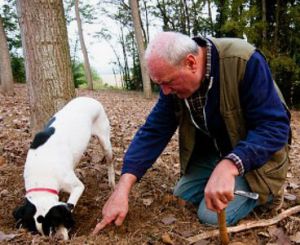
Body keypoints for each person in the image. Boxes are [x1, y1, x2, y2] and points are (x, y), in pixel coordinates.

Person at [93, 32, 291, 234]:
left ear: (190, 63)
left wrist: (231, 165)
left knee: (210, 215)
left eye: (168, 82)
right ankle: (222, 175)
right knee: (183, 195)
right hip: (218, 151)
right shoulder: (173, 79)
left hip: (258, 158)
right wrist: (122, 189)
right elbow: (154, 130)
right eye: (160, 84)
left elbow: (275, 126)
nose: (166, 91)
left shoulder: (243, 61)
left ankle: (269, 195)